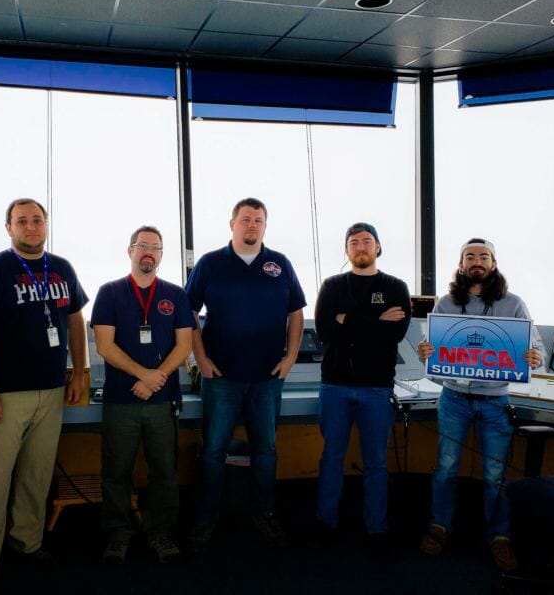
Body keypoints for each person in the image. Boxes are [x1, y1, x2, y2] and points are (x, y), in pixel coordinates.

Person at [0, 198, 87, 594]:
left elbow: (74, 320)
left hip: (51, 392)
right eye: (22, 221)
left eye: (37, 220)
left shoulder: (62, 268)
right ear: (8, 228)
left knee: (36, 475)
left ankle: (26, 542)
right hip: (6, 394)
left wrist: (79, 371)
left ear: (46, 225)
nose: (31, 227)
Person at [185, 197, 305, 551]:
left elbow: (296, 312)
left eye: (258, 220)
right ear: (232, 224)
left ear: (265, 226)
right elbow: (188, 312)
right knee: (213, 450)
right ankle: (206, 518)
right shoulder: (210, 264)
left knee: (266, 450)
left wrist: (291, 357)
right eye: (246, 219)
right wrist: (200, 358)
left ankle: (264, 512)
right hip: (220, 376)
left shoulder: (279, 264)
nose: (252, 225)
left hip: (267, 378)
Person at [417, 238, 542, 571]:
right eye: (470, 256)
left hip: (495, 402)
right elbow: (432, 345)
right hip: (453, 399)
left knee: (495, 474)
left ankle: (499, 536)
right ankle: (439, 525)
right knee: (445, 468)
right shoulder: (445, 303)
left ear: (493, 263)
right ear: (461, 264)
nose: (476, 261)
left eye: (483, 256)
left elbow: (536, 349)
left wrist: (535, 356)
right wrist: (426, 352)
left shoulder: (513, 303)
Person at [91, 225, 194, 565]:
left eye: (156, 247)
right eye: (142, 245)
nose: (149, 251)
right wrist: (143, 375)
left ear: (162, 255)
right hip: (122, 399)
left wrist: (155, 379)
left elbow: (185, 345)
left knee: (164, 469)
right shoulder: (109, 292)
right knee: (116, 471)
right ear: (130, 251)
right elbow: (105, 346)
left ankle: (159, 531)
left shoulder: (176, 295)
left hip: (162, 400)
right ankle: (118, 532)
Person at [312, 222, 410, 548]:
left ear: (378, 247)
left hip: (377, 388)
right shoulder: (333, 285)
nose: (361, 247)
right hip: (335, 387)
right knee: (331, 457)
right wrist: (375, 323)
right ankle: (325, 522)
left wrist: (348, 321)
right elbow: (326, 331)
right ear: (347, 250)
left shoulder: (395, 287)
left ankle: (376, 527)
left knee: (376, 462)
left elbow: (394, 334)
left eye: (367, 241)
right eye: (353, 243)